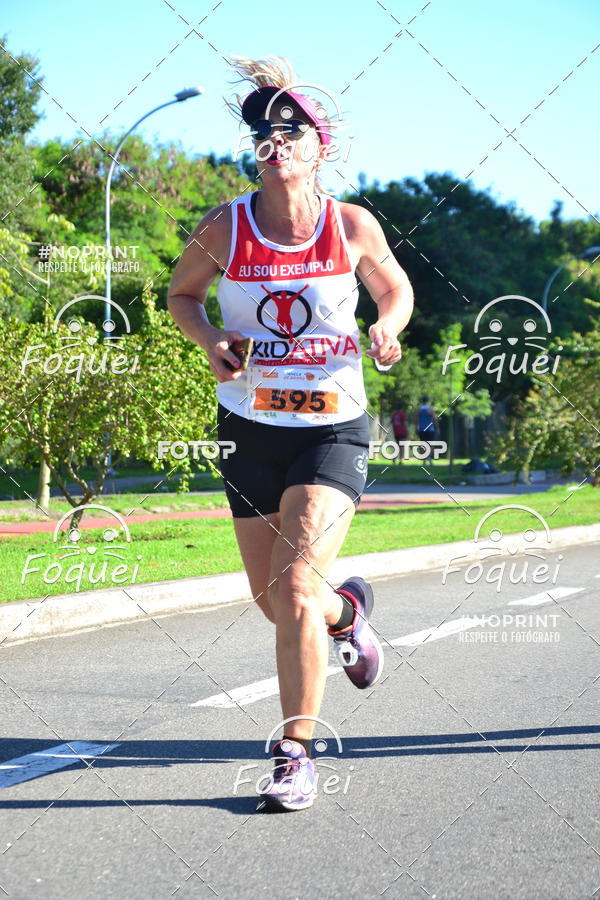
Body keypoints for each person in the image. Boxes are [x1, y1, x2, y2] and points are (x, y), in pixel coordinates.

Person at [167, 55, 414, 811]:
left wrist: (388, 325)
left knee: (296, 588)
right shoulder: (227, 225)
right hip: (249, 424)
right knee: (277, 600)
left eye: (290, 131)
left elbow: (395, 287)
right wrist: (209, 338)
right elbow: (181, 295)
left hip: (332, 427)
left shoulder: (349, 225)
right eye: (263, 134)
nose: (275, 144)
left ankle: (293, 753)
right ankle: (350, 613)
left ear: (319, 146)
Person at [416, 395, 438, 462]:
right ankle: (429, 457)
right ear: (428, 401)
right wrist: (437, 428)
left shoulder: (419, 409)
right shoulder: (430, 409)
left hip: (422, 429)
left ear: (422, 401)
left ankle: (424, 458)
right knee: (431, 443)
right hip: (430, 429)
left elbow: (417, 419)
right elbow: (434, 419)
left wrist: (416, 428)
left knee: (423, 443)